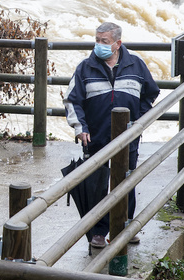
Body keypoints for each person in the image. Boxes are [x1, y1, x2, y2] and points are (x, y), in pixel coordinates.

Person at [63, 22, 160, 249]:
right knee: (97, 184)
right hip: (96, 136)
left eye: (104, 42)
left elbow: (151, 92)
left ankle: (124, 227)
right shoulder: (85, 68)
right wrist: (81, 128)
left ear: (118, 44)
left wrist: (139, 121)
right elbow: (71, 100)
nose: (99, 45)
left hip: (128, 137)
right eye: (97, 40)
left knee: (126, 181)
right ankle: (98, 232)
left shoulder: (136, 65)